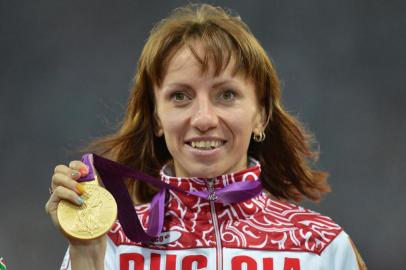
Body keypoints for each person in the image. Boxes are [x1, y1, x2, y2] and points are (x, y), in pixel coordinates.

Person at [45, 3, 366, 270]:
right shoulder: (110, 244)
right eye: (180, 96)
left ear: (261, 114)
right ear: (157, 117)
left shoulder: (320, 247)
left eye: (226, 95)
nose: (203, 119)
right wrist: (86, 255)